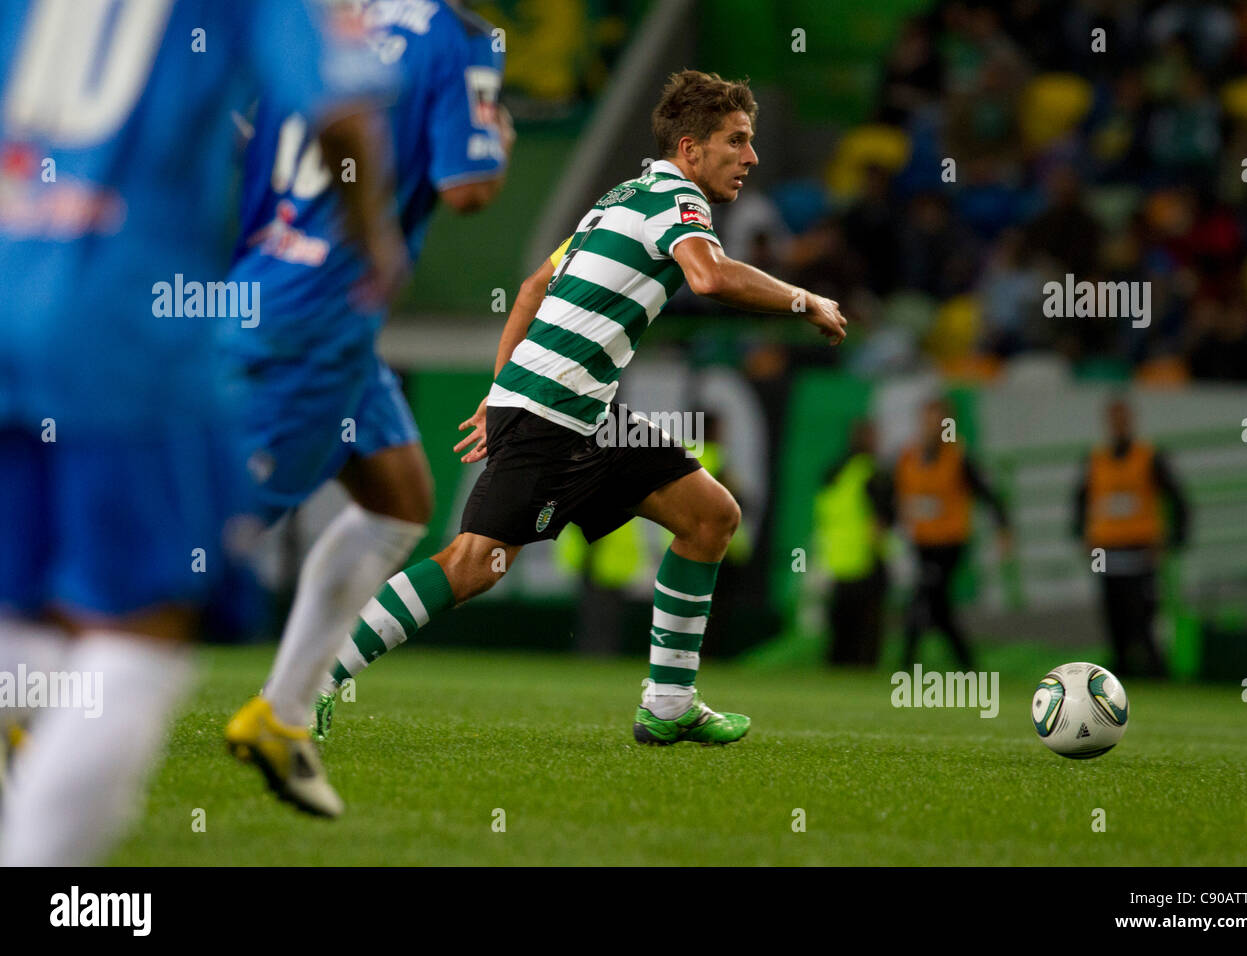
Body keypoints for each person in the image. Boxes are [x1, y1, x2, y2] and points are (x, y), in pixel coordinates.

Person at [313, 69, 848, 747]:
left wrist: (501, 388)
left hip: (581, 412)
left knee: (711, 516)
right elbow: (708, 277)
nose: (752, 157)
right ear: (690, 149)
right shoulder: (677, 201)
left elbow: (536, 285)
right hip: (552, 414)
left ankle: (669, 703)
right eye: (736, 141)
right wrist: (806, 300)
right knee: (475, 564)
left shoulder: (623, 197)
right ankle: (315, 678)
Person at [0, 0, 401, 865]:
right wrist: (374, 242)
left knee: (24, 619)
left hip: (9, 287)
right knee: (139, 634)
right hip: (124, 326)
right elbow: (337, 107)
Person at [221, 0, 512, 818]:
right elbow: (469, 191)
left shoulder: (321, 20)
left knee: (400, 500)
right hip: (314, 319)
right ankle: (29, 697)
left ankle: (282, 713)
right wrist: (502, 144)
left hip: (277, 290)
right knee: (192, 548)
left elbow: (239, 134)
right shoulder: (461, 39)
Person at [1073, 397, 1188, 678]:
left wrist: (1175, 539)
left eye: (1122, 417)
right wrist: (1081, 534)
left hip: (1141, 548)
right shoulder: (1095, 459)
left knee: (1144, 614)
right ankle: (1120, 672)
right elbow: (1081, 498)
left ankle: (1156, 671)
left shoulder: (1149, 456)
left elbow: (1178, 497)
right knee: (1114, 615)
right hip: (1106, 549)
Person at [895, 398, 1011, 669]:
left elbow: (989, 494)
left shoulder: (958, 458)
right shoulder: (908, 457)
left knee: (922, 599)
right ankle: (968, 665)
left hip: (948, 544)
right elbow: (896, 495)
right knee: (939, 608)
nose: (932, 425)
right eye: (927, 418)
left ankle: (905, 667)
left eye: (939, 420)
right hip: (920, 542)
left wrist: (1003, 529)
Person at [815, 419, 893, 666]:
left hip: (836, 559)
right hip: (866, 556)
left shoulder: (833, 472)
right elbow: (881, 519)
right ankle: (865, 667)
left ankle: (836, 667)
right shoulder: (871, 473)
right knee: (868, 625)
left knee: (840, 624)